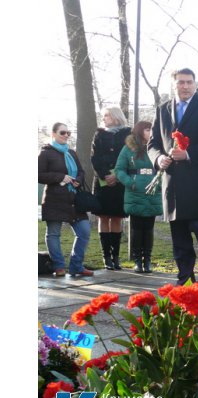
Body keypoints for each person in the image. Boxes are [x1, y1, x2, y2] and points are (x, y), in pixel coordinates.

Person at [147, 67, 198, 290]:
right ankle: (185, 283)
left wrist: (189, 154)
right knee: (180, 239)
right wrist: (158, 159)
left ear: (195, 84)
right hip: (172, 183)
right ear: (173, 84)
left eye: (189, 82)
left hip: (197, 183)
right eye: (181, 82)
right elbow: (153, 143)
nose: (185, 86)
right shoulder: (162, 109)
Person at [38, 123, 93, 278]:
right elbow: (38, 174)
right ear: (53, 133)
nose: (66, 135)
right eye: (63, 132)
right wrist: (60, 177)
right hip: (54, 200)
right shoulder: (45, 152)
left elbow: (81, 171)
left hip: (74, 200)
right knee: (54, 234)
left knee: (84, 232)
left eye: (68, 133)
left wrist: (78, 180)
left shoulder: (71, 152)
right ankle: (59, 266)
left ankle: (76, 266)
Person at [114, 121, 162, 273]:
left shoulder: (157, 148)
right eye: (148, 130)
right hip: (135, 192)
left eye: (152, 130)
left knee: (149, 229)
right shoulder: (128, 148)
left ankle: (147, 260)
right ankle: (137, 261)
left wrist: (159, 184)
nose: (150, 132)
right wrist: (130, 182)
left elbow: (165, 167)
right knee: (136, 228)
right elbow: (119, 169)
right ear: (140, 131)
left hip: (152, 191)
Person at [91, 106, 131, 270]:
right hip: (102, 182)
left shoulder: (128, 133)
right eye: (104, 115)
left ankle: (116, 256)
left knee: (116, 217)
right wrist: (104, 175)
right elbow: (94, 157)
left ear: (115, 116)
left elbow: (131, 156)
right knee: (103, 217)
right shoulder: (99, 134)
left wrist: (118, 175)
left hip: (119, 182)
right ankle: (106, 256)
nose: (105, 118)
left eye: (107, 115)